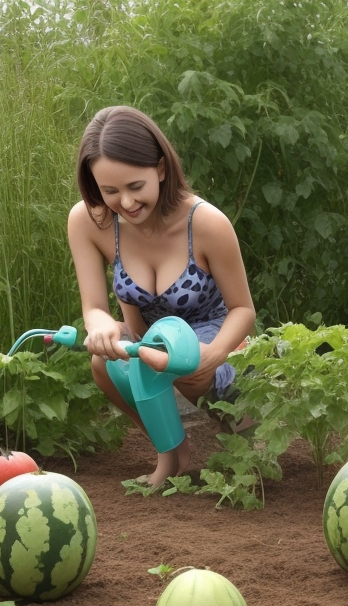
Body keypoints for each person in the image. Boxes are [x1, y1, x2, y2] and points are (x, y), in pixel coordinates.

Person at [67, 106, 256, 486]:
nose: (126, 203)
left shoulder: (205, 223)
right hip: (150, 340)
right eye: (110, 191)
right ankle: (171, 452)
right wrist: (100, 324)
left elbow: (243, 310)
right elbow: (94, 307)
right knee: (103, 363)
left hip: (216, 335)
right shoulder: (88, 221)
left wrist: (212, 354)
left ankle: (244, 441)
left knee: (179, 361)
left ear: (161, 169)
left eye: (136, 187)